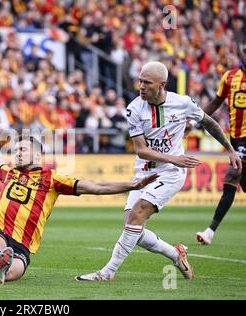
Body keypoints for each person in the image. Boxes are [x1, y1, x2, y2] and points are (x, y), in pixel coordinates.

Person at [0, 131, 158, 285]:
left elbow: (95, 187)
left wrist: (131, 184)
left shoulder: (52, 179)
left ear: (38, 154)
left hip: (23, 244)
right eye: (14, 151)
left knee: (9, 274)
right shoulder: (9, 173)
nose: (16, 154)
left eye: (22, 149)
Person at [75, 61, 242, 282]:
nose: (141, 86)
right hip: (145, 171)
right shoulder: (134, 108)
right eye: (140, 81)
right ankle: (176, 254)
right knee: (132, 225)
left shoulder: (182, 103)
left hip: (171, 173)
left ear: (161, 84)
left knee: (136, 215)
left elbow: (209, 122)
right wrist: (175, 157)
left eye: (147, 83)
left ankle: (107, 272)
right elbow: (142, 151)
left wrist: (230, 149)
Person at [195, 44, 246, 245]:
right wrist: (194, 119)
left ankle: (210, 231)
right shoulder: (229, 77)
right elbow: (216, 102)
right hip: (234, 137)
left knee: (233, 174)